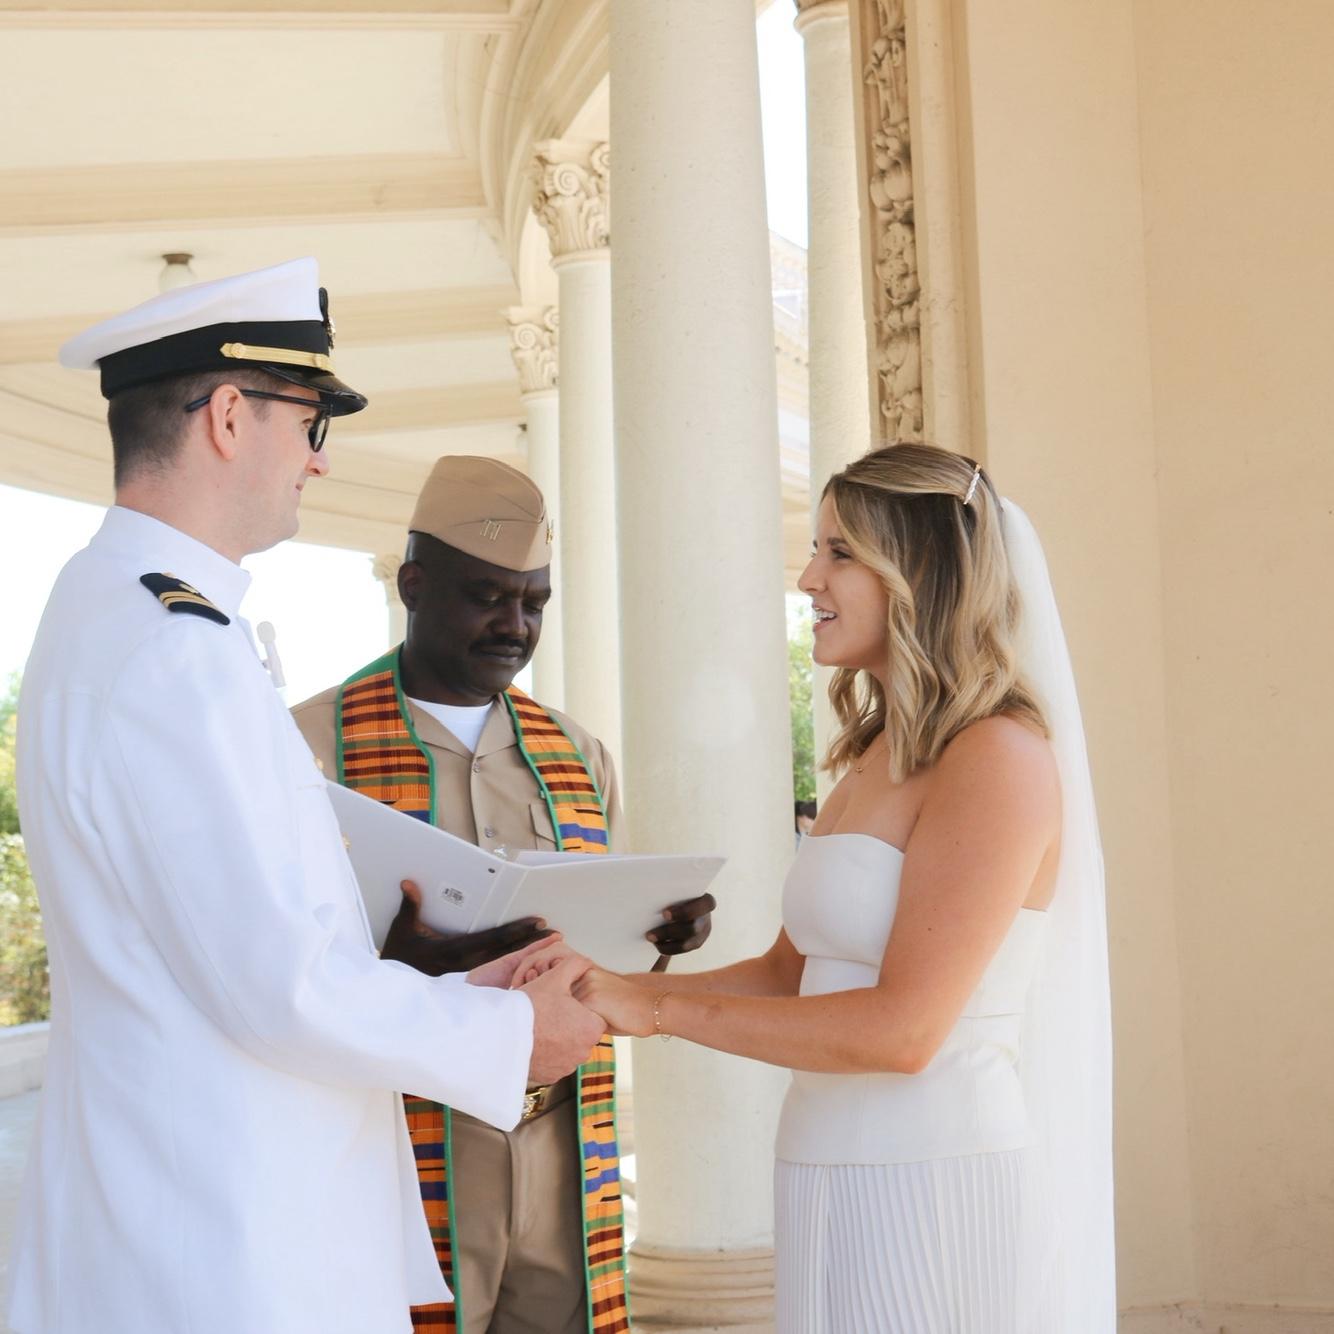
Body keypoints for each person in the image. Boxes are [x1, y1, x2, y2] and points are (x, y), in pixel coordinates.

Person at [6, 259, 604, 1334]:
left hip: (191, 1203)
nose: (320, 460)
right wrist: (509, 1032)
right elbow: (280, 983)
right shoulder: (174, 650)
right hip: (228, 1234)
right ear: (230, 416)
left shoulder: (119, 609)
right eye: (309, 420)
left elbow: (236, 940)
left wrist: (456, 981)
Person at [539, 443, 1116, 1332]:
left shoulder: (998, 758)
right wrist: (609, 988)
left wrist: (653, 1011)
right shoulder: (874, 755)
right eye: (817, 550)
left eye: (840, 552)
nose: (809, 578)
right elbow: (788, 974)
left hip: (933, 1178)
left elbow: (904, 1032)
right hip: (818, 1163)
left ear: (920, 569)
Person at [292, 454, 715, 1334]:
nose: (514, 627)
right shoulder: (308, 746)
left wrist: (658, 933)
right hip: (400, 1133)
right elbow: (272, 962)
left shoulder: (577, 753)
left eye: (533, 603)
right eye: (486, 597)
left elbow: (603, 947)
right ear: (414, 585)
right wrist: (392, 965)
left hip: (559, 1132)